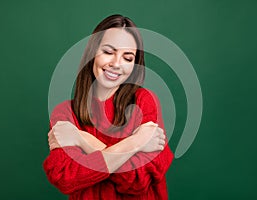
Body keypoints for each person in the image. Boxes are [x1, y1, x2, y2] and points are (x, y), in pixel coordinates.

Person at [43, 14, 174, 200]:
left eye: (127, 58)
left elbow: (138, 180)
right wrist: (136, 143)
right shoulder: (65, 113)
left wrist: (81, 140)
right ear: (92, 53)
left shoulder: (145, 101)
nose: (116, 64)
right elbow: (65, 178)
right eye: (108, 52)